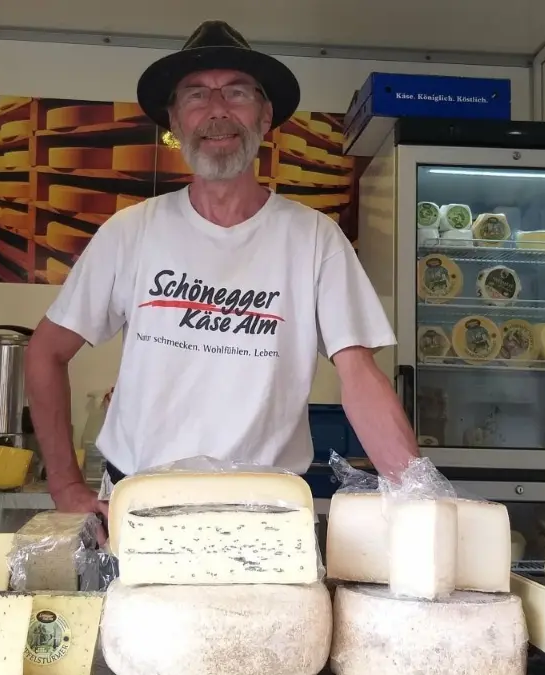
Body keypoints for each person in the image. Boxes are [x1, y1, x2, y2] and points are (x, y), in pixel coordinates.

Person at [25, 20, 420, 523]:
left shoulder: (314, 238)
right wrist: (63, 486)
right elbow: (44, 353)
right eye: (195, 96)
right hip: (141, 507)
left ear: (265, 114)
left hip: (267, 512)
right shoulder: (130, 233)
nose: (217, 112)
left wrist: (419, 501)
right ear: (174, 118)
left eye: (236, 93)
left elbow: (359, 375)